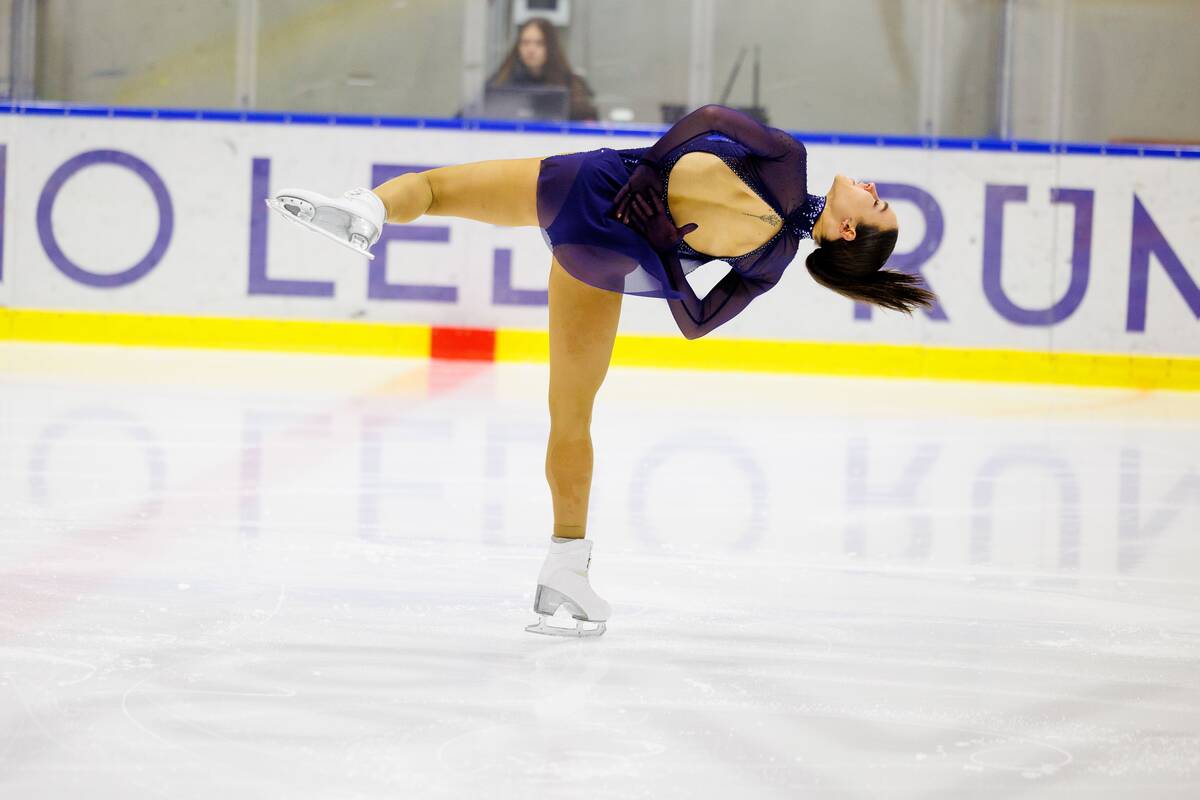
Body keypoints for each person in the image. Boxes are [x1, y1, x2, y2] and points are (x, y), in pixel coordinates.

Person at [266, 103, 936, 637]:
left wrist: (650, 175)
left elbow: (704, 119)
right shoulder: (769, 264)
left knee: (438, 191)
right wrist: (669, 252)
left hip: (587, 186)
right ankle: (565, 568)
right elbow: (695, 322)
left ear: (848, 233)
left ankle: (370, 211)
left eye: (875, 204)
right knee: (572, 416)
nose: (872, 189)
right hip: (606, 257)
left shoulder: (789, 158)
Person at [485, 17, 598, 122]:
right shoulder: (501, 81)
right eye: (525, 42)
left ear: (551, 47)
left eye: (540, 43)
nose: (531, 49)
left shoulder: (572, 84)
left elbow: (588, 123)